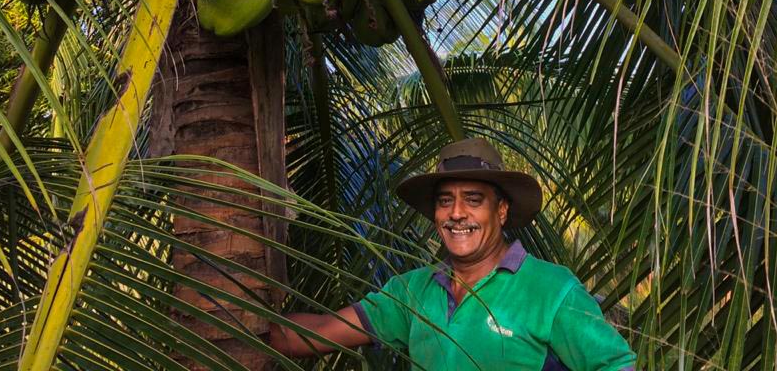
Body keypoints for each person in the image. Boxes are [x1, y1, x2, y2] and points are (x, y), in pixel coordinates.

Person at [270, 137, 637, 370]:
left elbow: (617, 365)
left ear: (502, 210)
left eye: (473, 200)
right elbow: (320, 332)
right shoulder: (413, 291)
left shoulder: (551, 289)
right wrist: (239, 317)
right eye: (446, 201)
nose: (457, 213)